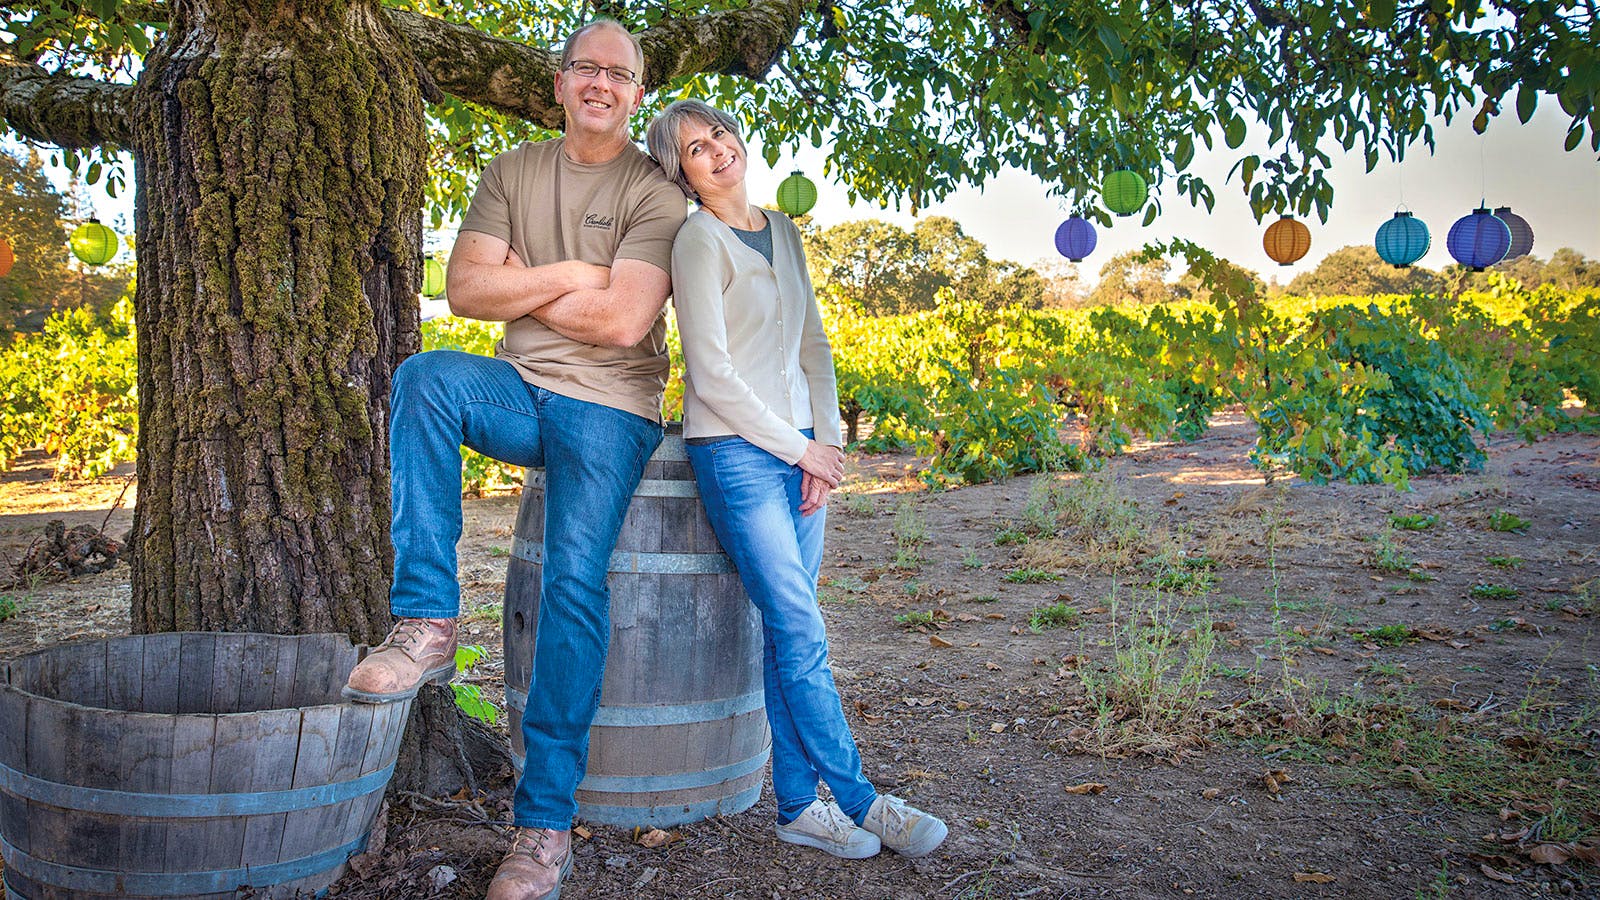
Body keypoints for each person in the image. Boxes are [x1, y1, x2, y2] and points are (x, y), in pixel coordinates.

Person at [342, 20, 687, 900]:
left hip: (612, 409)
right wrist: (578, 270)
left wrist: (529, 284)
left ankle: (541, 832)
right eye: (586, 68)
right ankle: (426, 624)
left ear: (637, 93)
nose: (600, 83)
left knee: (573, 585)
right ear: (561, 82)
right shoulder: (512, 171)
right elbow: (463, 289)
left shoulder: (655, 191)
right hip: (518, 388)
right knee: (424, 378)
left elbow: (625, 324)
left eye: (620, 73)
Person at [644, 99, 949, 861]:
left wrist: (826, 444)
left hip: (800, 450)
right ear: (680, 172)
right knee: (800, 624)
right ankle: (860, 799)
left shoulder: (784, 229)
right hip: (737, 454)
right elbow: (709, 374)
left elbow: (813, 343)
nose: (715, 151)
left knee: (791, 629)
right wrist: (794, 448)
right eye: (693, 149)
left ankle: (794, 807)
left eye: (718, 134)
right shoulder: (696, 241)